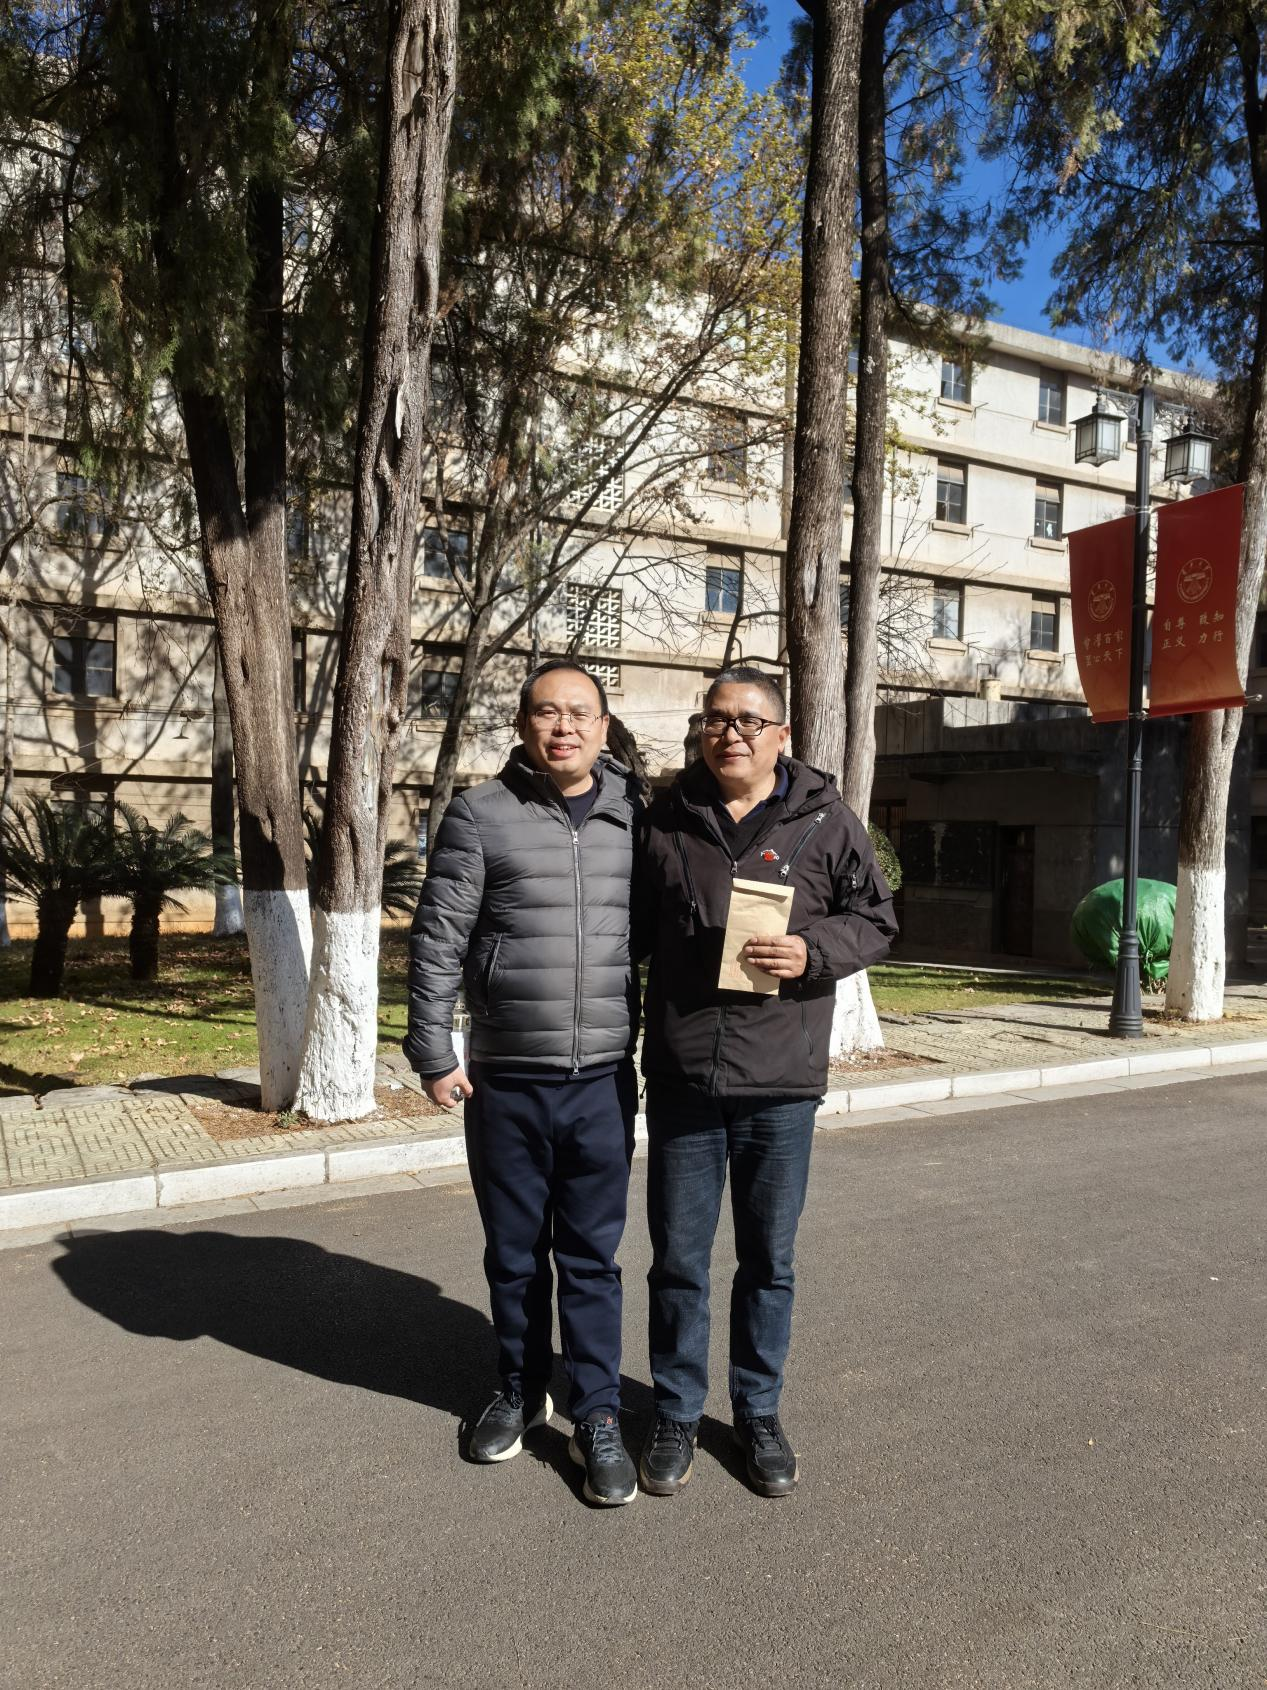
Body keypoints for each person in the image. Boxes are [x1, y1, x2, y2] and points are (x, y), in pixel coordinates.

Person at [635, 666, 898, 1498]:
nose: (730, 734)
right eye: (715, 719)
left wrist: (812, 951)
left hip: (781, 1081)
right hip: (683, 1075)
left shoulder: (825, 820)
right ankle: (675, 1411)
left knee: (767, 1262)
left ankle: (756, 1412)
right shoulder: (664, 818)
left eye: (749, 721)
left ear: (782, 736)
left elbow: (876, 920)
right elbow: (626, 930)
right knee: (678, 1262)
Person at [404, 659, 641, 1507]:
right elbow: (438, 937)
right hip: (506, 1078)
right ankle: (517, 1387)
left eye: (579, 713)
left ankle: (598, 1411)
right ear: (522, 724)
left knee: (590, 1258)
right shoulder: (481, 813)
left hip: (603, 1077)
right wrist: (433, 1051)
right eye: (546, 712)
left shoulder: (635, 814)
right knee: (513, 1255)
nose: (563, 727)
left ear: (603, 728)